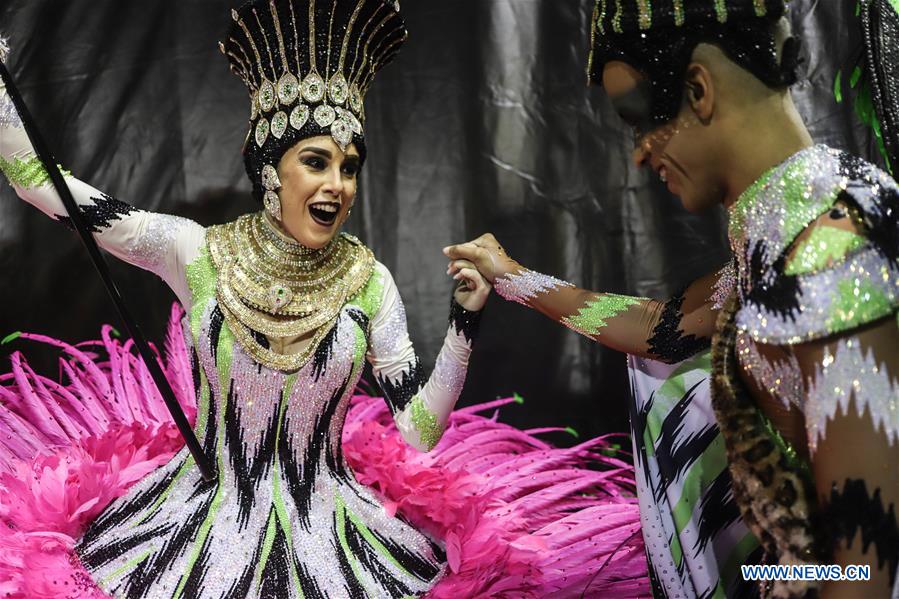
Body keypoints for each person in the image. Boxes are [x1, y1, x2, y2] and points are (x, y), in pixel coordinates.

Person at [0, 1, 651, 597]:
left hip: (335, 545)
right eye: (315, 161)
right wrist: (2, 99)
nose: (336, 185)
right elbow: (42, 187)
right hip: (186, 534)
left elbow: (417, 432)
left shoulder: (369, 281)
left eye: (349, 166)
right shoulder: (194, 251)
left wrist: (464, 323)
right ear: (267, 168)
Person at [445, 1, 899, 597]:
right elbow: (662, 329)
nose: (638, 152)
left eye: (638, 117)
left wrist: (756, 580)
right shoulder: (781, 228)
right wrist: (514, 277)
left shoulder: (837, 246)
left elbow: (863, 572)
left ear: (699, 89)